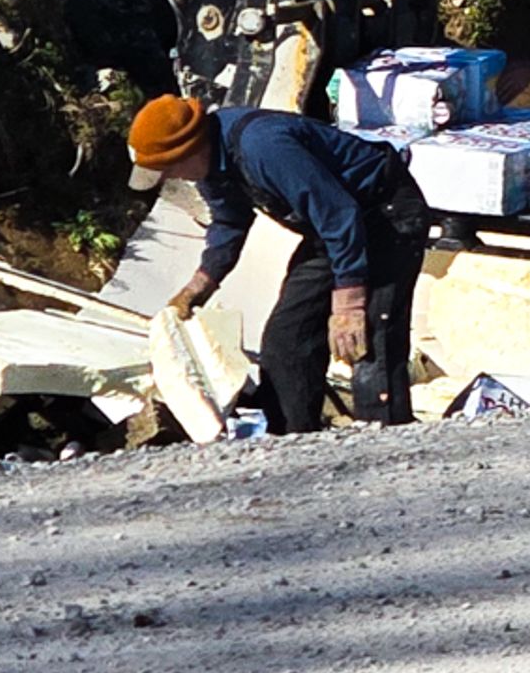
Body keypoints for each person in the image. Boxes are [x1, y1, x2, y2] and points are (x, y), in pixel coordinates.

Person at [133, 93, 430, 435]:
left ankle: (386, 441)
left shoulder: (264, 146)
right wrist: (197, 287)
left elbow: (338, 213)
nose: (176, 179)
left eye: (170, 170)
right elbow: (229, 223)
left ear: (189, 150)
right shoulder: (212, 165)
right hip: (332, 232)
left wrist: (348, 303)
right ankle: (290, 441)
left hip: (385, 216)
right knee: (287, 339)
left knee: (369, 338)